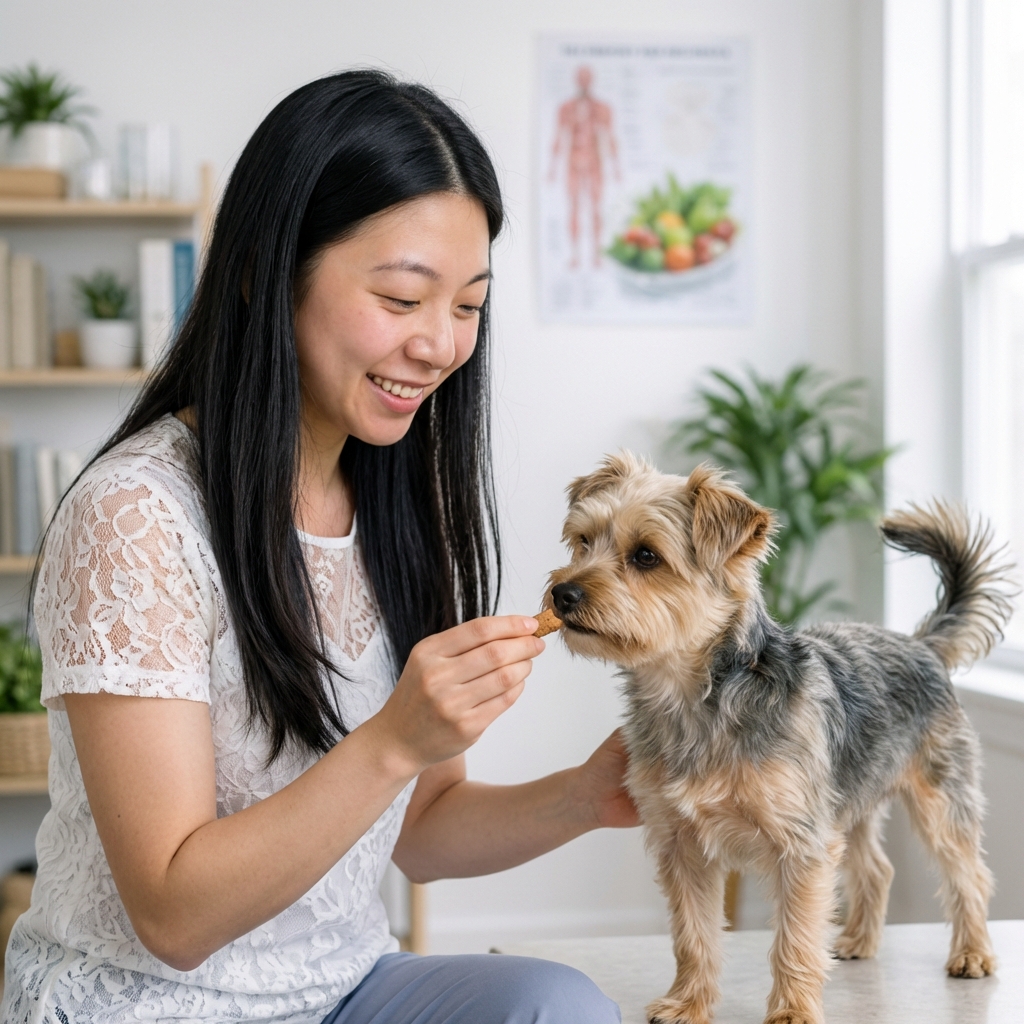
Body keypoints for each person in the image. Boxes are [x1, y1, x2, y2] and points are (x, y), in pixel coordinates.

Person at [1, 71, 634, 1024]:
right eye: (401, 298)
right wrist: (392, 744)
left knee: (557, 1005)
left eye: (467, 306)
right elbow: (173, 913)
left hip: (343, 987)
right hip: (153, 1001)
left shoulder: (394, 498)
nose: (439, 345)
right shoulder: (135, 516)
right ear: (266, 268)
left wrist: (587, 796)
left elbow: (416, 830)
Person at [549, 65, 620, 269]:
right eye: (581, 77)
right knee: (574, 207)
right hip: (573, 162)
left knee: (596, 208)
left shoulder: (602, 109)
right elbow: (559, 137)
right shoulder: (566, 108)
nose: (584, 81)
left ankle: (596, 254)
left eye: (587, 77)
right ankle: (575, 255)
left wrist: (616, 167)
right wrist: (552, 168)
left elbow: (610, 137)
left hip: (594, 162)